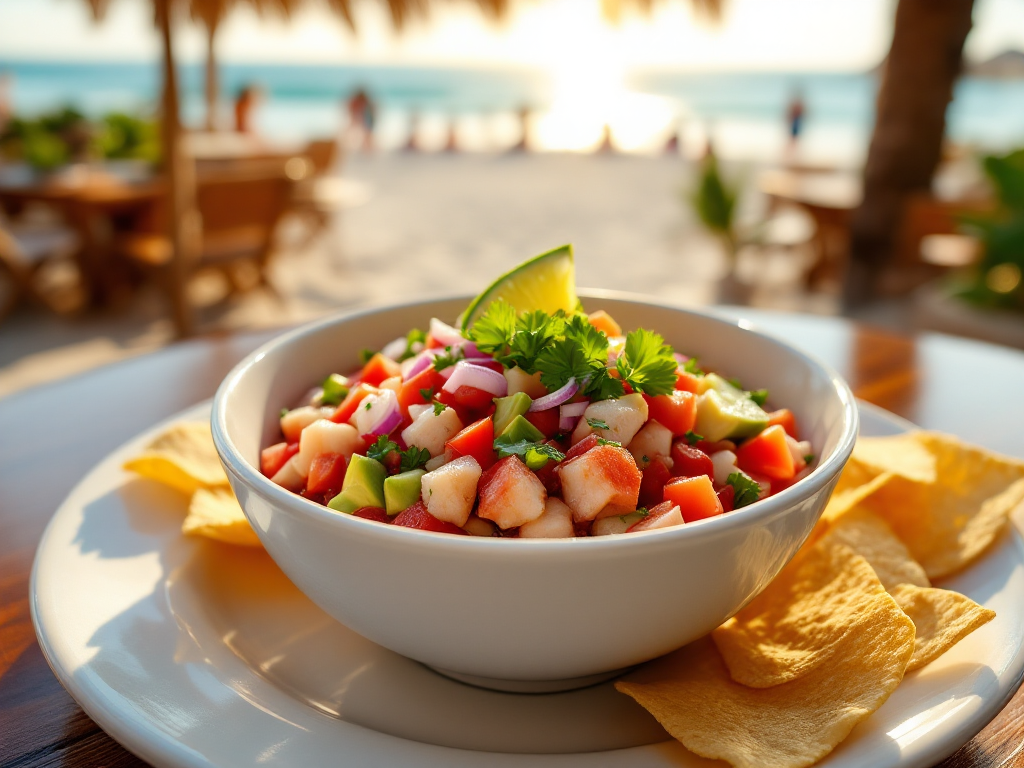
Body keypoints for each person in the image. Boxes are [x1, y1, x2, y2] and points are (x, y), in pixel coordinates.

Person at [786, 88, 806, 154]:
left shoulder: (797, 105)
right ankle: (791, 151)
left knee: (795, 137)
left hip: (797, 122)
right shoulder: (796, 105)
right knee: (793, 137)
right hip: (795, 122)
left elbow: (801, 113)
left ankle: (792, 151)